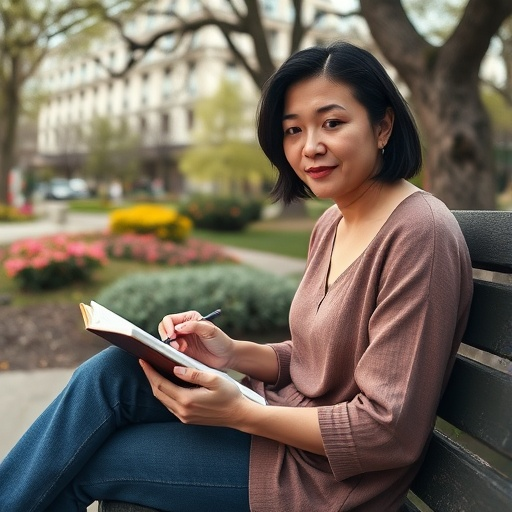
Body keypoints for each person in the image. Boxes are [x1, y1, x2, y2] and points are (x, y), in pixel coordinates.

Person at [0, 41, 473, 512]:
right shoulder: (333, 222)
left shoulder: (418, 235)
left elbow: (386, 432)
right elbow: (320, 358)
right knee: (113, 373)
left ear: (383, 125)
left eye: (332, 122)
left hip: (328, 478)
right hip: (281, 425)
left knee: (96, 462)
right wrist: (228, 352)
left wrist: (242, 413)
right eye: (293, 130)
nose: (310, 147)